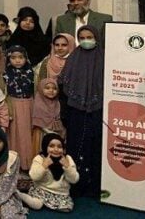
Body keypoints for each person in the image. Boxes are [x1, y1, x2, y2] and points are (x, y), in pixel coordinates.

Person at [58, 24, 104, 198]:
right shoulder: (73, 58)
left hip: (98, 111)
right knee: (76, 146)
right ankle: (77, 185)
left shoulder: (104, 57)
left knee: (95, 147)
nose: (86, 41)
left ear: (96, 38)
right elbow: (63, 83)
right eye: (82, 38)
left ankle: (95, 186)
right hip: (75, 111)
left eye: (89, 37)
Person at [27, 133, 79, 212]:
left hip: (61, 193)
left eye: (59, 147)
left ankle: (49, 204)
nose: (56, 149)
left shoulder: (67, 159)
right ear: (45, 146)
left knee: (67, 208)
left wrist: (67, 167)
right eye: (51, 146)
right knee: (37, 205)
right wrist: (44, 166)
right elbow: (34, 177)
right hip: (41, 190)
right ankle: (20, 195)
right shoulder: (40, 158)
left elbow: (74, 180)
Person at [4, 45, 35, 171]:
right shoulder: (5, 74)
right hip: (13, 105)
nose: (17, 60)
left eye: (21, 57)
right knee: (14, 133)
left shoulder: (32, 72)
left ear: (26, 58)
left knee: (27, 133)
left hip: (29, 104)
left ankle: (27, 163)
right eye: (13, 58)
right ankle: (14, 163)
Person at [31, 78, 66, 168]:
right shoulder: (38, 103)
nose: (51, 90)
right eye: (47, 88)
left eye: (54, 88)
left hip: (57, 133)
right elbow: (39, 123)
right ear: (41, 89)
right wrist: (51, 133)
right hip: (43, 133)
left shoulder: (58, 103)